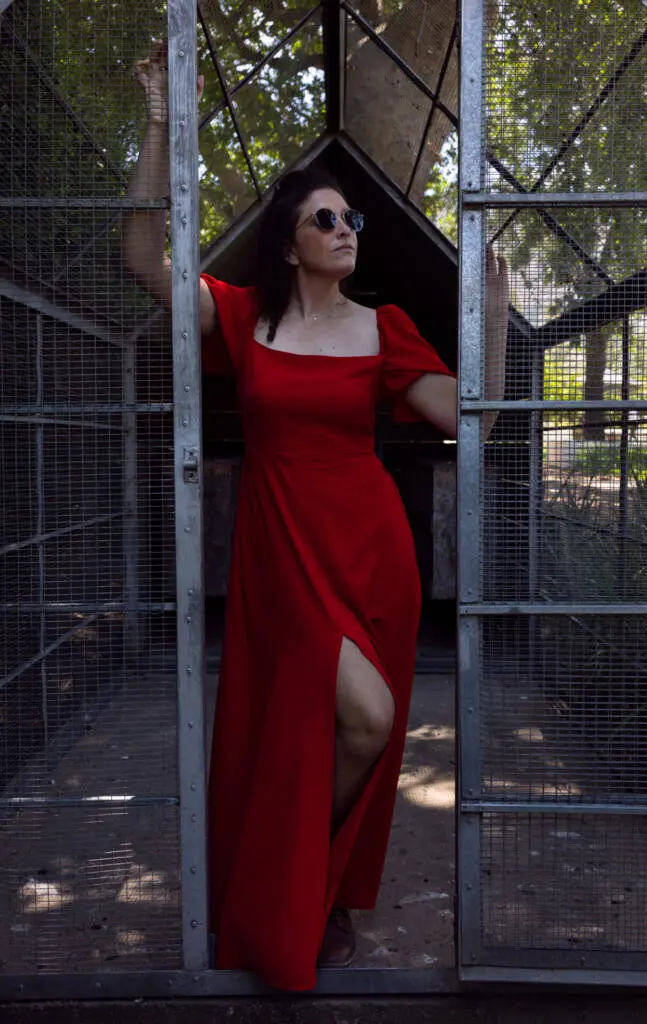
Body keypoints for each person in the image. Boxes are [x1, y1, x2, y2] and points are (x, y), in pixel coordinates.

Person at [125, 41, 509, 992]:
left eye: (351, 218)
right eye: (325, 219)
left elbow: (475, 424)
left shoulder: (382, 327)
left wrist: (496, 315)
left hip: (371, 549)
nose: (346, 228)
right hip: (280, 547)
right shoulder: (242, 318)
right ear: (290, 242)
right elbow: (140, 254)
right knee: (361, 722)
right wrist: (162, 124)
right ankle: (289, 885)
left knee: (349, 735)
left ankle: (313, 888)